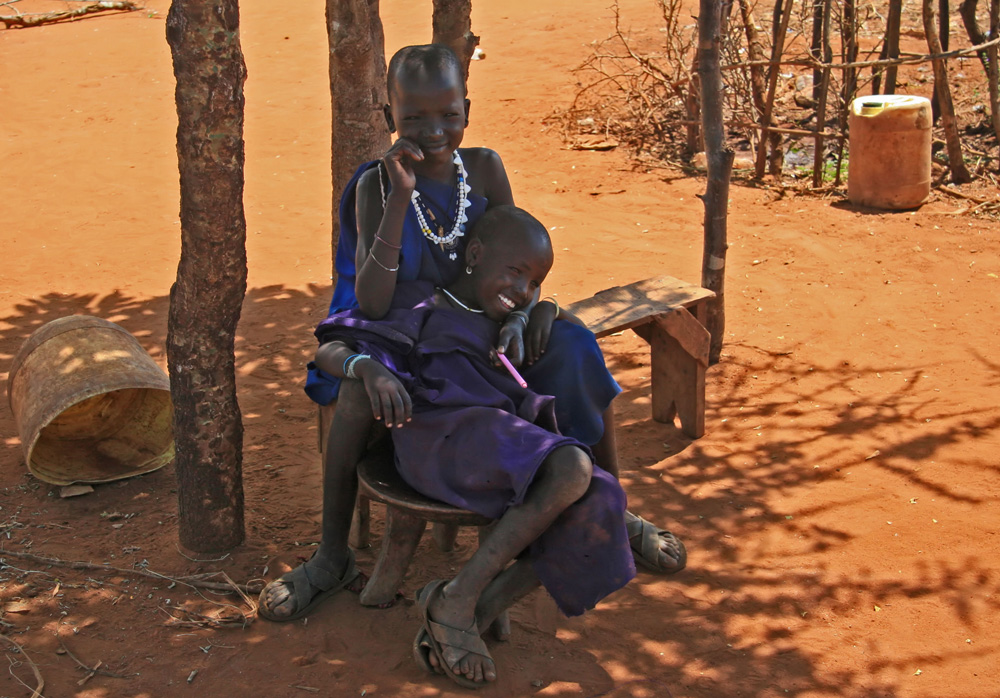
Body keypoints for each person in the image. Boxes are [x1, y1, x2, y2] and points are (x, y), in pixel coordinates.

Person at [259, 43, 682, 623]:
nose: (434, 131)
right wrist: (401, 194)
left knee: (574, 344)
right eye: (414, 118)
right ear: (389, 118)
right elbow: (374, 300)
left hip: (475, 324)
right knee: (358, 386)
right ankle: (331, 556)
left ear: (466, 108)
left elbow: (514, 252)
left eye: (448, 115)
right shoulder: (375, 187)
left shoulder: (484, 168)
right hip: (396, 332)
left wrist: (522, 314)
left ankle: (609, 501)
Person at [313, 207, 636, 687]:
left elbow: (547, 326)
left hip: (497, 444)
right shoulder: (423, 304)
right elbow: (329, 350)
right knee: (571, 467)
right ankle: (461, 604)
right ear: (477, 254)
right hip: (437, 441)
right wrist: (367, 368)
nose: (522, 291)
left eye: (535, 282)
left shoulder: (509, 323)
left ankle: (466, 602)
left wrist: (534, 312)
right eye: (515, 273)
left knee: (600, 498)